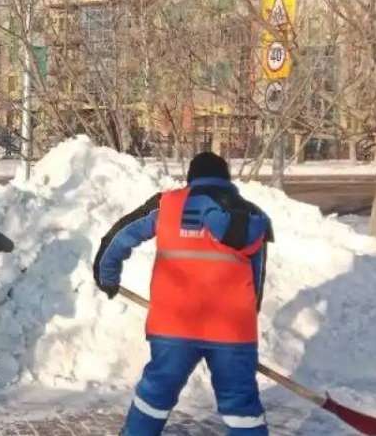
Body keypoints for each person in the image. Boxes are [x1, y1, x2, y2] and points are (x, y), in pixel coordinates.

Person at [93, 152, 273, 436]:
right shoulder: (252, 216)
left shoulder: (168, 205)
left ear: (191, 178)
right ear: (226, 179)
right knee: (242, 411)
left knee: (154, 397)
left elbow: (120, 237)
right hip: (232, 333)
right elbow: (256, 279)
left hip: (174, 327)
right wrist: (242, 331)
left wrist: (107, 276)